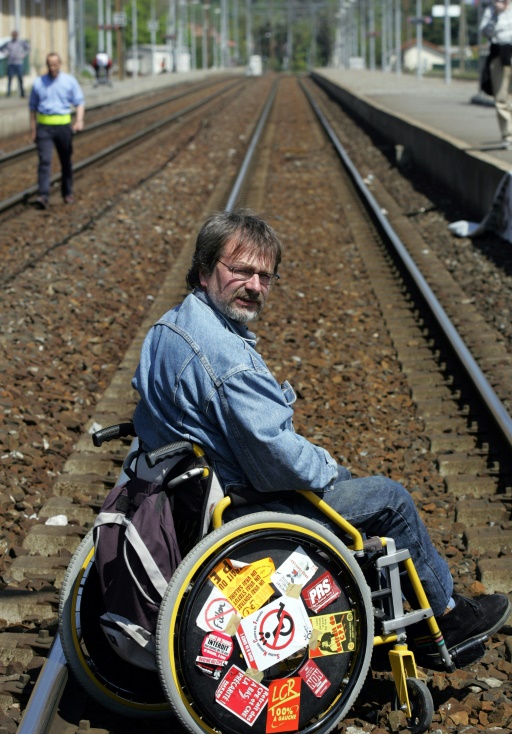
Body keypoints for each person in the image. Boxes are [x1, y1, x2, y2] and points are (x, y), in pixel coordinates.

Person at [131, 208, 511, 670]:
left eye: (264, 276)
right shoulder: (230, 361)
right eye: (241, 270)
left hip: (186, 495)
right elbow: (278, 461)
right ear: (207, 269)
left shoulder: (166, 329)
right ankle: (446, 622)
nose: (254, 285)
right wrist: (330, 468)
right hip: (245, 505)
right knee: (389, 499)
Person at [28, 52, 85, 209]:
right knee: (45, 162)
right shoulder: (39, 83)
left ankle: (67, 192)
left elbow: (79, 102)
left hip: (63, 127)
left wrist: (79, 120)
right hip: (44, 128)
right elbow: (32, 108)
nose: (52, 67)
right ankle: (43, 195)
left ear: (60, 64)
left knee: (66, 161)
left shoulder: (69, 81)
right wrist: (33, 130)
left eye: (55, 64)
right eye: (49, 64)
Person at [480, 0, 512, 149]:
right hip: (499, 55)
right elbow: (484, 32)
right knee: (501, 98)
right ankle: (508, 136)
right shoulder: (490, 11)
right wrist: (495, 17)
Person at [0, 30, 30, 98]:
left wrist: (23, 54)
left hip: (19, 62)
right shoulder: (9, 43)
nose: (14, 36)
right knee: (10, 78)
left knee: (20, 78)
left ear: (17, 35)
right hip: (10, 63)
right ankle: (8, 93)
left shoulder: (21, 42)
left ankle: (22, 93)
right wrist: (5, 53)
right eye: (13, 35)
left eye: (15, 35)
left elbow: (28, 48)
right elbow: (1, 48)